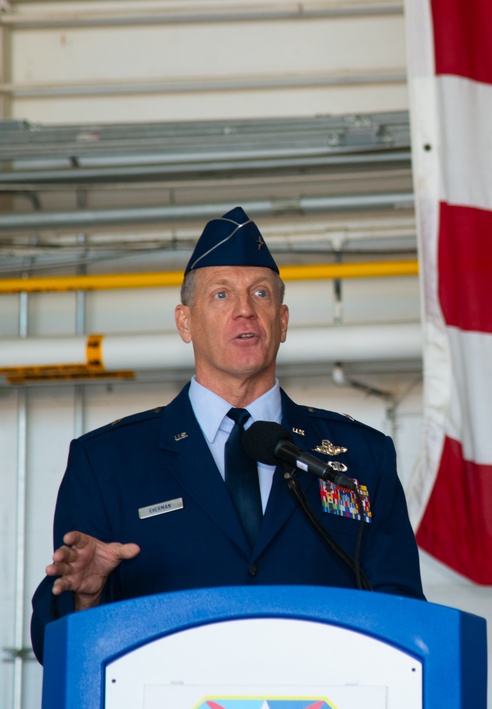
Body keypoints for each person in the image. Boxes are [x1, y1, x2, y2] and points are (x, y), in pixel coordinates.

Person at [30, 207, 424, 664]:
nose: (244, 310)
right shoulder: (108, 461)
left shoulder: (360, 455)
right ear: (185, 322)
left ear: (282, 321)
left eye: (260, 294)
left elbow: (405, 611)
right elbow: (54, 646)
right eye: (221, 294)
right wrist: (88, 598)